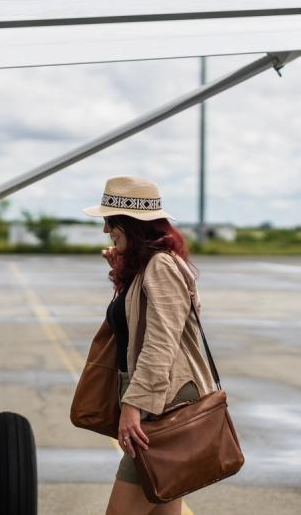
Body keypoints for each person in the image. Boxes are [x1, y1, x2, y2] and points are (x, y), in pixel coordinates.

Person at [83, 175, 217, 515]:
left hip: (162, 400)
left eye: (109, 222)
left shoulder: (161, 266)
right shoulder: (148, 267)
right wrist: (122, 274)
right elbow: (134, 326)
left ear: (129, 224)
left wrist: (135, 406)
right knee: (162, 508)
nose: (105, 231)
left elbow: (161, 343)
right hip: (155, 395)